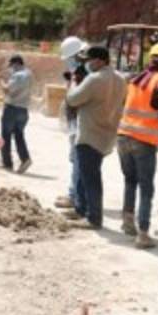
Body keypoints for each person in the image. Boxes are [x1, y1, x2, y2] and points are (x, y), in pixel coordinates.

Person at [116, 42, 158, 249]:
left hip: (123, 137)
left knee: (130, 181)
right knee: (146, 188)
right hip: (144, 141)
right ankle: (142, 233)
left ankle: (127, 221)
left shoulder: (134, 80)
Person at [64, 45, 126, 229]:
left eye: (89, 60)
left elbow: (73, 99)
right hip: (106, 133)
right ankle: (80, 209)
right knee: (86, 174)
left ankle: (93, 217)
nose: (87, 64)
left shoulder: (94, 79)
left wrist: (73, 83)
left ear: (100, 60)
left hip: (89, 133)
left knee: (90, 178)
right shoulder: (120, 79)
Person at [55, 36, 87, 209]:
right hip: (76, 122)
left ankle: (75, 197)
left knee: (78, 160)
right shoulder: (79, 74)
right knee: (76, 160)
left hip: (80, 123)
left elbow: (77, 99)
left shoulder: (83, 74)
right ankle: (74, 194)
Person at [1, 54, 34, 173]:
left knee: (6, 136)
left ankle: (7, 163)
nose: (11, 68)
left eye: (11, 65)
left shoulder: (18, 76)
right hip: (23, 110)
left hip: (11, 109)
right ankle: (25, 159)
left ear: (16, 63)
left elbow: (7, 90)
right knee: (19, 135)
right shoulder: (29, 74)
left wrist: (1, 82)